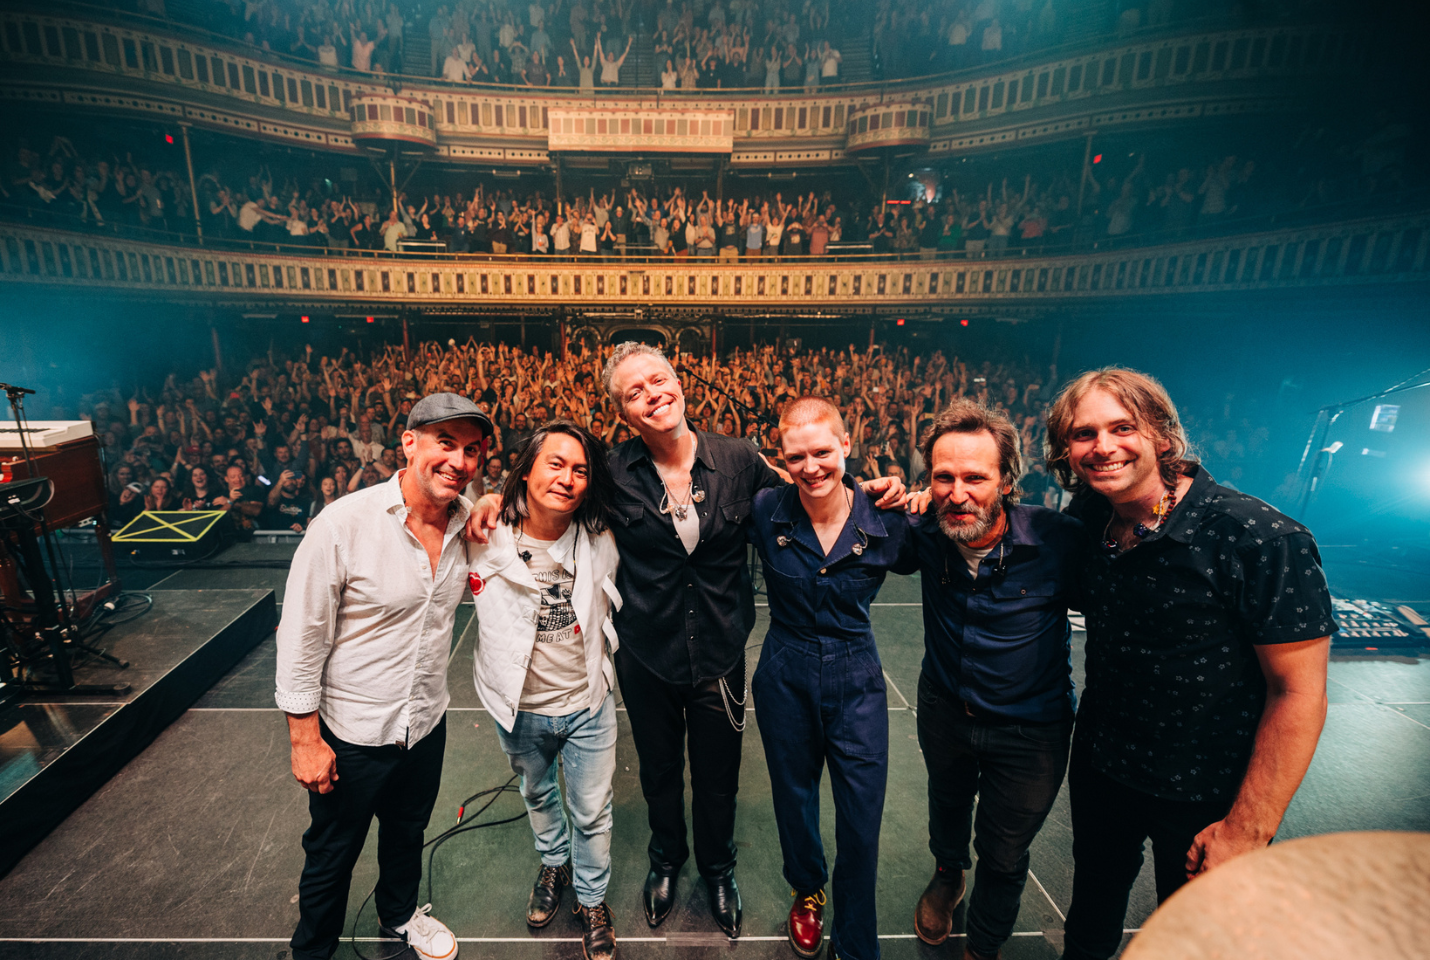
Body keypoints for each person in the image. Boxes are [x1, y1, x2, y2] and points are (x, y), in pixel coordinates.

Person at [466, 344, 903, 940]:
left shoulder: (740, 458)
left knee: (719, 776)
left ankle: (718, 870)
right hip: (647, 656)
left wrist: (884, 493)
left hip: (720, 654)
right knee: (660, 773)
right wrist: (500, 499)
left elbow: (808, 485)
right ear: (623, 413)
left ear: (679, 381)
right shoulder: (613, 470)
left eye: (659, 380)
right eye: (634, 392)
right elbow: (551, 496)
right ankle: (666, 862)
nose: (652, 394)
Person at [1043, 368, 1336, 960]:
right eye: (1083, 434)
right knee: (1092, 914)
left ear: (1161, 435)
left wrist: (1248, 827)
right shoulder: (1091, 520)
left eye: (1122, 427)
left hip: (1208, 791)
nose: (1102, 447)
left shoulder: (1258, 537)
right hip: (1104, 768)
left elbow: (1299, 693)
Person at [275, 393, 492, 960]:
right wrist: (304, 737)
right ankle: (312, 952)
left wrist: (494, 501)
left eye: (471, 451)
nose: (458, 461)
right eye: (445, 444)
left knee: (407, 832)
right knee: (332, 853)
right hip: (352, 733)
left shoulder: (469, 521)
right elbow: (301, 635)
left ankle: (399, 917)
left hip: (424, 721)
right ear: (409, 443)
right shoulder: (343, 525)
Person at [901, 401, 1083, 960]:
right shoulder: (925, 532)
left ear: (1007, 481)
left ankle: (982, 948)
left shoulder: (1059, 541)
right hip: (946, 708)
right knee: (948, 804)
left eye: (975, 477)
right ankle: (948, 874)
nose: (958, 493)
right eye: (943, 477)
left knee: (1005, 855)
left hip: (1032, 731)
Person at [747, 398, 912, 960]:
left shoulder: (888, 518)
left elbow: (963, 517)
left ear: (846, 445)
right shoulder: (765, 509)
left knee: (862, 818)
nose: (812, 467)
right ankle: (808, 890)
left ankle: (857, 940)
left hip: (856, 673)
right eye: (797, 457)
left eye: (823, 452)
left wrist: (919, 492)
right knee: (794, 799)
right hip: (783, 670)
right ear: (782, 459)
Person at [469, 421, 622, 960]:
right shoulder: (482, 534)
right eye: (555, 464)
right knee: (536, 794)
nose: (568, 478)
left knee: (592, 810)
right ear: (527, 470)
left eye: (579, 469)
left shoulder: (604, 534)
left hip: (587, 703)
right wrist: (488, 498)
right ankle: (553, 863)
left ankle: (592, 898)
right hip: (519, 707)